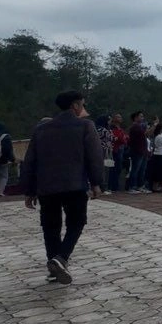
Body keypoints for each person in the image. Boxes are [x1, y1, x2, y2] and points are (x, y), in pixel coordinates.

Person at [20, 90, 104, 284]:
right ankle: (60, 258)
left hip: (46, 187)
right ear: (75, 106)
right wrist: (97, 182)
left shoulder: (41, 129)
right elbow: (94, 156)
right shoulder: (85, 126)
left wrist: (29, 190)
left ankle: (54, 266)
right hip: (74, 184)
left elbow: (30, 160)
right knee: (76, 222)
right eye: (82, 104)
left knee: (50, 226)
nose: (83, 108)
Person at [126, 111, 150, 194]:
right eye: (141, 116)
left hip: (143, 151)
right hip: (137, 151)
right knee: (135, 169)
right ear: (135, 117)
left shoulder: (140, 126)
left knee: (142, 170)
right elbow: (145, 134)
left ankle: (140, 186)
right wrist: (154, 125)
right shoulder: (135, 126)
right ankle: (132, 187)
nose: (142, 118)